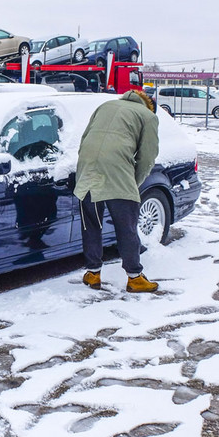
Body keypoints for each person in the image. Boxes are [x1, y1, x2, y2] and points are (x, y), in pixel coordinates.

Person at [74, 89, 160, 293]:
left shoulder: (104, 106)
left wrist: (86, 168)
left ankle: (92, 273)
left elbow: (84, 140)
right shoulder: (148, 116)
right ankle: (135, 277)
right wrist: (133, 183)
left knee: (91, 224)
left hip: (88, 169)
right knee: (126, 227)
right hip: (118, 172)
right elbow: (148, 157)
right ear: (148, 105)